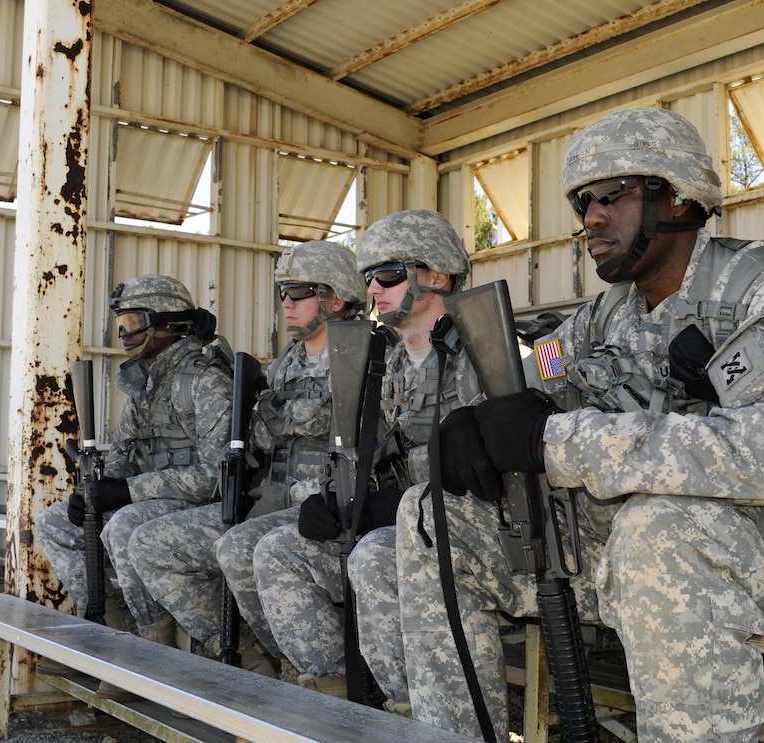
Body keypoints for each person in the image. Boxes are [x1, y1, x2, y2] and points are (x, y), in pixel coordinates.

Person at [396, 107, 764, 742]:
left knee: (660, 531)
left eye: (612, 195)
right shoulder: (606, 314)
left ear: (676, 195)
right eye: (583, 202)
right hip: (632, 539)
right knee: (427, 516)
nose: (591, 218)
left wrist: (553, 440)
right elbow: (536, 379)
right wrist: (476, 420)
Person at [252, 209, 479, 710]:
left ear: (438, 275)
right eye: (369, 278)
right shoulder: (390, 359)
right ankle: (335, 693)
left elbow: (491, 471)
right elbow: (368, 450)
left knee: (374, 555)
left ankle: (408, 709)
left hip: (465, 529)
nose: (374, 289)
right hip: (400, 519)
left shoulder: (480, 351)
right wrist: (336, 500)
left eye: (390, 276)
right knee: (277, 550)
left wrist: (392, 505)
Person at [127, 241, 367, 675]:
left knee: (240, 550)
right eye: (283, 294)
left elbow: (374, 449)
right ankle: (267, 661)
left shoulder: (364, 356)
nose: (287, 304)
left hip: (329, 504)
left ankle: (321, 676)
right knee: (149, 543)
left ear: (336, 297)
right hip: (270, 499)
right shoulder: (283, 366)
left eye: (299, 292)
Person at [35, 274, 233, 694]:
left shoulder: (204, 379)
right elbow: (123, 459)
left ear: (166, 323)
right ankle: (109, 632)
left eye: (132, 321)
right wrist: (95, 489)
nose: (122, 333)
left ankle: (148, 651)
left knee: (126, 524)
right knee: (55, 523)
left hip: (197, 505)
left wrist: (126, 493)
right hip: (153, 501)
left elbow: (218, 476)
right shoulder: (144, 381)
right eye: (119, 322)